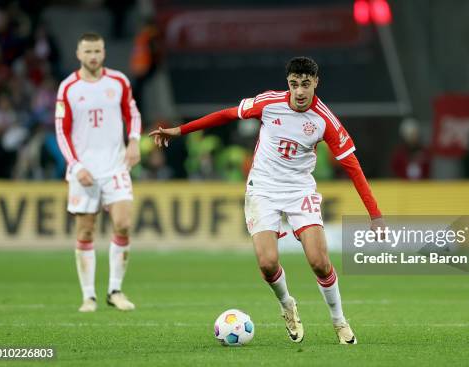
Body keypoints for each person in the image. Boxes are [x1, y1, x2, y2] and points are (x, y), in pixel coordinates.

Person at [149, 57, 386, 344]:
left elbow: (353, 167)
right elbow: (226, 115)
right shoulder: (269, 103)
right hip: (262, 187)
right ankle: (287, 304)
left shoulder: (325, 120)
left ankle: (339, 321)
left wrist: (375, 214)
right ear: (288, 83)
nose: (299, 91)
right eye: (294, 84)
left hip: (299, 191)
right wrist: (181, 130)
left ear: (315, 83)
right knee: (267, 263)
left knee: (319, 262)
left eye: (306, 84)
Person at [54, 32, 141, 312]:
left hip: (116, 166)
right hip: (85, 171)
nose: (93, 56)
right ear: (79, 54)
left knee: (124, 223)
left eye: (98, 51)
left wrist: (134, 141)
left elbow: (133, 114)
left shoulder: (118, 81)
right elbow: (61, 130)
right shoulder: (67, 88)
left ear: (104, 53)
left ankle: (115, 290)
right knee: (86, 230)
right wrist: (75, 165)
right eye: (88, 51)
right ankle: (88, 296)